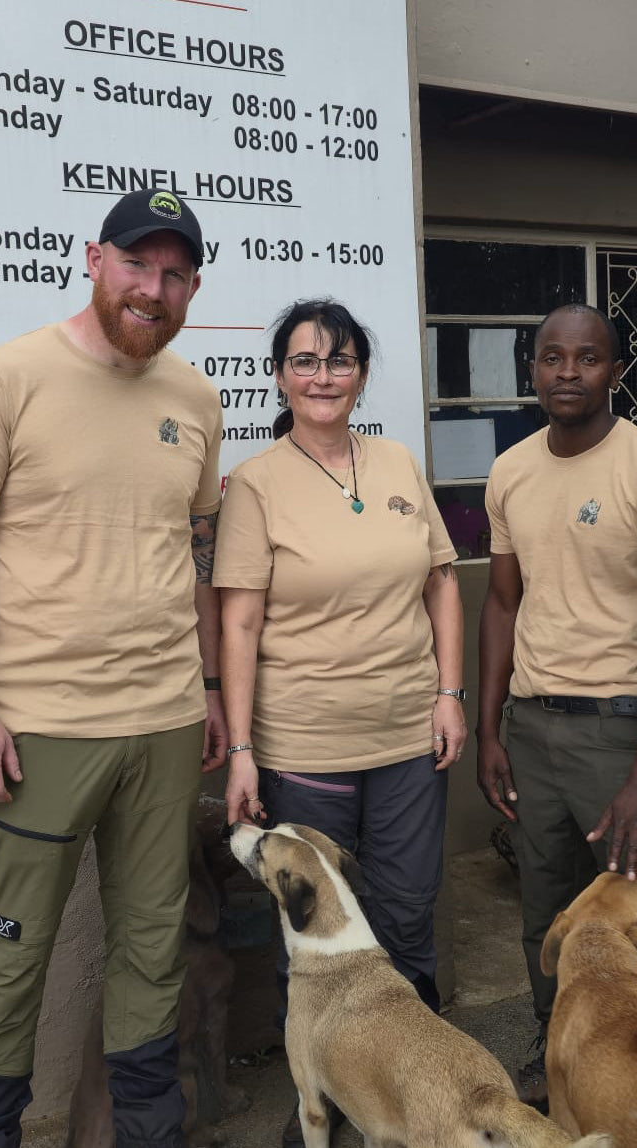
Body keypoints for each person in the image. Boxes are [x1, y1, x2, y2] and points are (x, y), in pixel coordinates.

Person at [0, 188, 226, 1148]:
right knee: (12, 959)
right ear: (94, 259)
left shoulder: (195, 396)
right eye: (138, 264)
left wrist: (210, 687)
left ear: (193, 287)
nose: (154, 288)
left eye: (175, 273)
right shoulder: (5, 378)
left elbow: (199, 556)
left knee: (150, 953)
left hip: (168, 722)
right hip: (40, 730)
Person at [213, 299, 466, 1147]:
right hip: (307, 744)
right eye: (306, 361)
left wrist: (450, 693)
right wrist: (243, 750)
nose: (324, 376)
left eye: (341, 359)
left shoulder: (395, 461)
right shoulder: (256, 482)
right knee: (317, 937)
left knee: (406, 917)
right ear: (280, 375)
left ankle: (416, 1092)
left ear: (362, 371)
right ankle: (320, 1105)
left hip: (405, 737)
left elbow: (441, 583)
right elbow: (239, 621)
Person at [476, 303, 637, 1108]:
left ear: (615, 371)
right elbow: (502, 605)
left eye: (586, 358)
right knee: (552, 921)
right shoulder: (510, 471)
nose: (567, 372)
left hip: (623, 735)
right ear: (531, 369)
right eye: (551, 357)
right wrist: (489, 729)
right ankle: (566, 1071)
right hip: (534, 730)